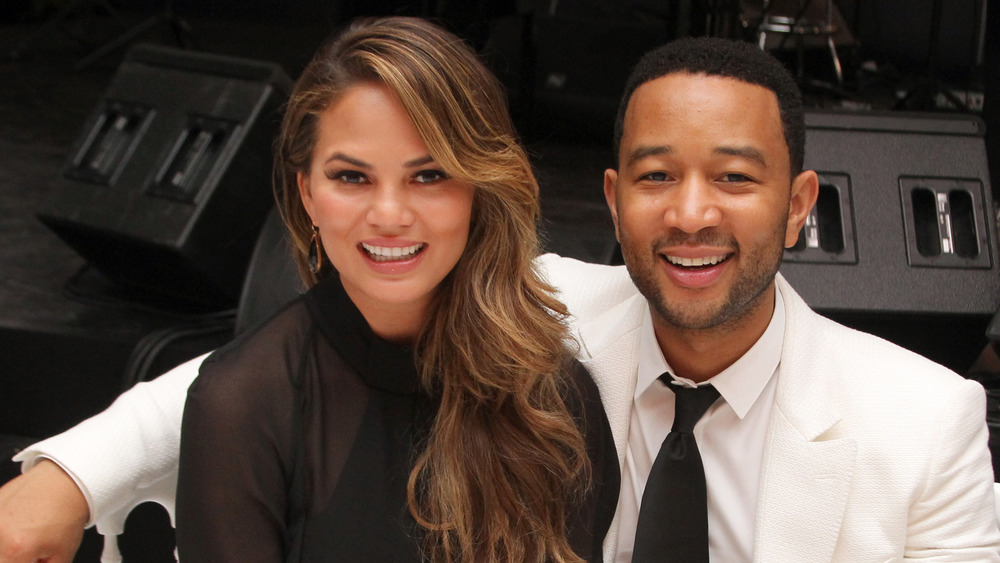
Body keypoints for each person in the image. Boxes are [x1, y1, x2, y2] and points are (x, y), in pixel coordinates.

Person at [3, 35, 999, 562]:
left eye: (734, 179)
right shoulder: (545, 311)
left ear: (798, 205)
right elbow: (265, 371)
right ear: (612, 198)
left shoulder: (922, 422)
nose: (691, 213)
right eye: (656, 176)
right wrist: (70, 476)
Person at [4, 16, 622, 563]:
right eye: (352, 176)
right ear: (306, 194)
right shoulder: (241, 403)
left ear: (478, 190)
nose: (389, 214)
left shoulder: (554, 394)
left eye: (429, 175)